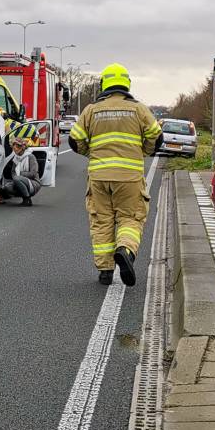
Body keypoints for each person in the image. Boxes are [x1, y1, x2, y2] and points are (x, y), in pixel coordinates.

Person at [69, 63, 163, 287]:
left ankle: (105, 272)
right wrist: (143, 151)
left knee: (102, 221)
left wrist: (91, 153)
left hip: (99, 176)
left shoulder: (91, 109)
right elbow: (156, 138)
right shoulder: (138, 109)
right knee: (130, 218)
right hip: (129, 176)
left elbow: (75, 140)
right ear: (126, 83)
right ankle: (125, 250)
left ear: (104, 84)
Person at [1, 137, 41, 206]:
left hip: (33, 183)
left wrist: (20, 175)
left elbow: (33, 173)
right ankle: (25, 197)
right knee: (7, 187)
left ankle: (27, 199)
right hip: (20, 180)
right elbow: (13, 172)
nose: (14, 149)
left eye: (16, 146)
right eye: (13, 147)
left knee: (17, 178)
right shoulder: (16, 158)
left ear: (22, 147)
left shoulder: (30, 156)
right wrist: (16, 177)